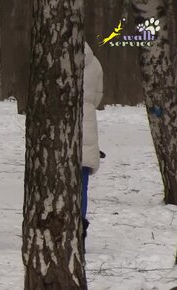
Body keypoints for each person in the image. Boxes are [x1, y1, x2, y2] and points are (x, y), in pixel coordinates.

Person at [82, 42, 104, 244]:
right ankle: (79, 226)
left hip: (58, 121)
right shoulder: (95, 63)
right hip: (87, 122)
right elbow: (98, 96)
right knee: (82, 186)